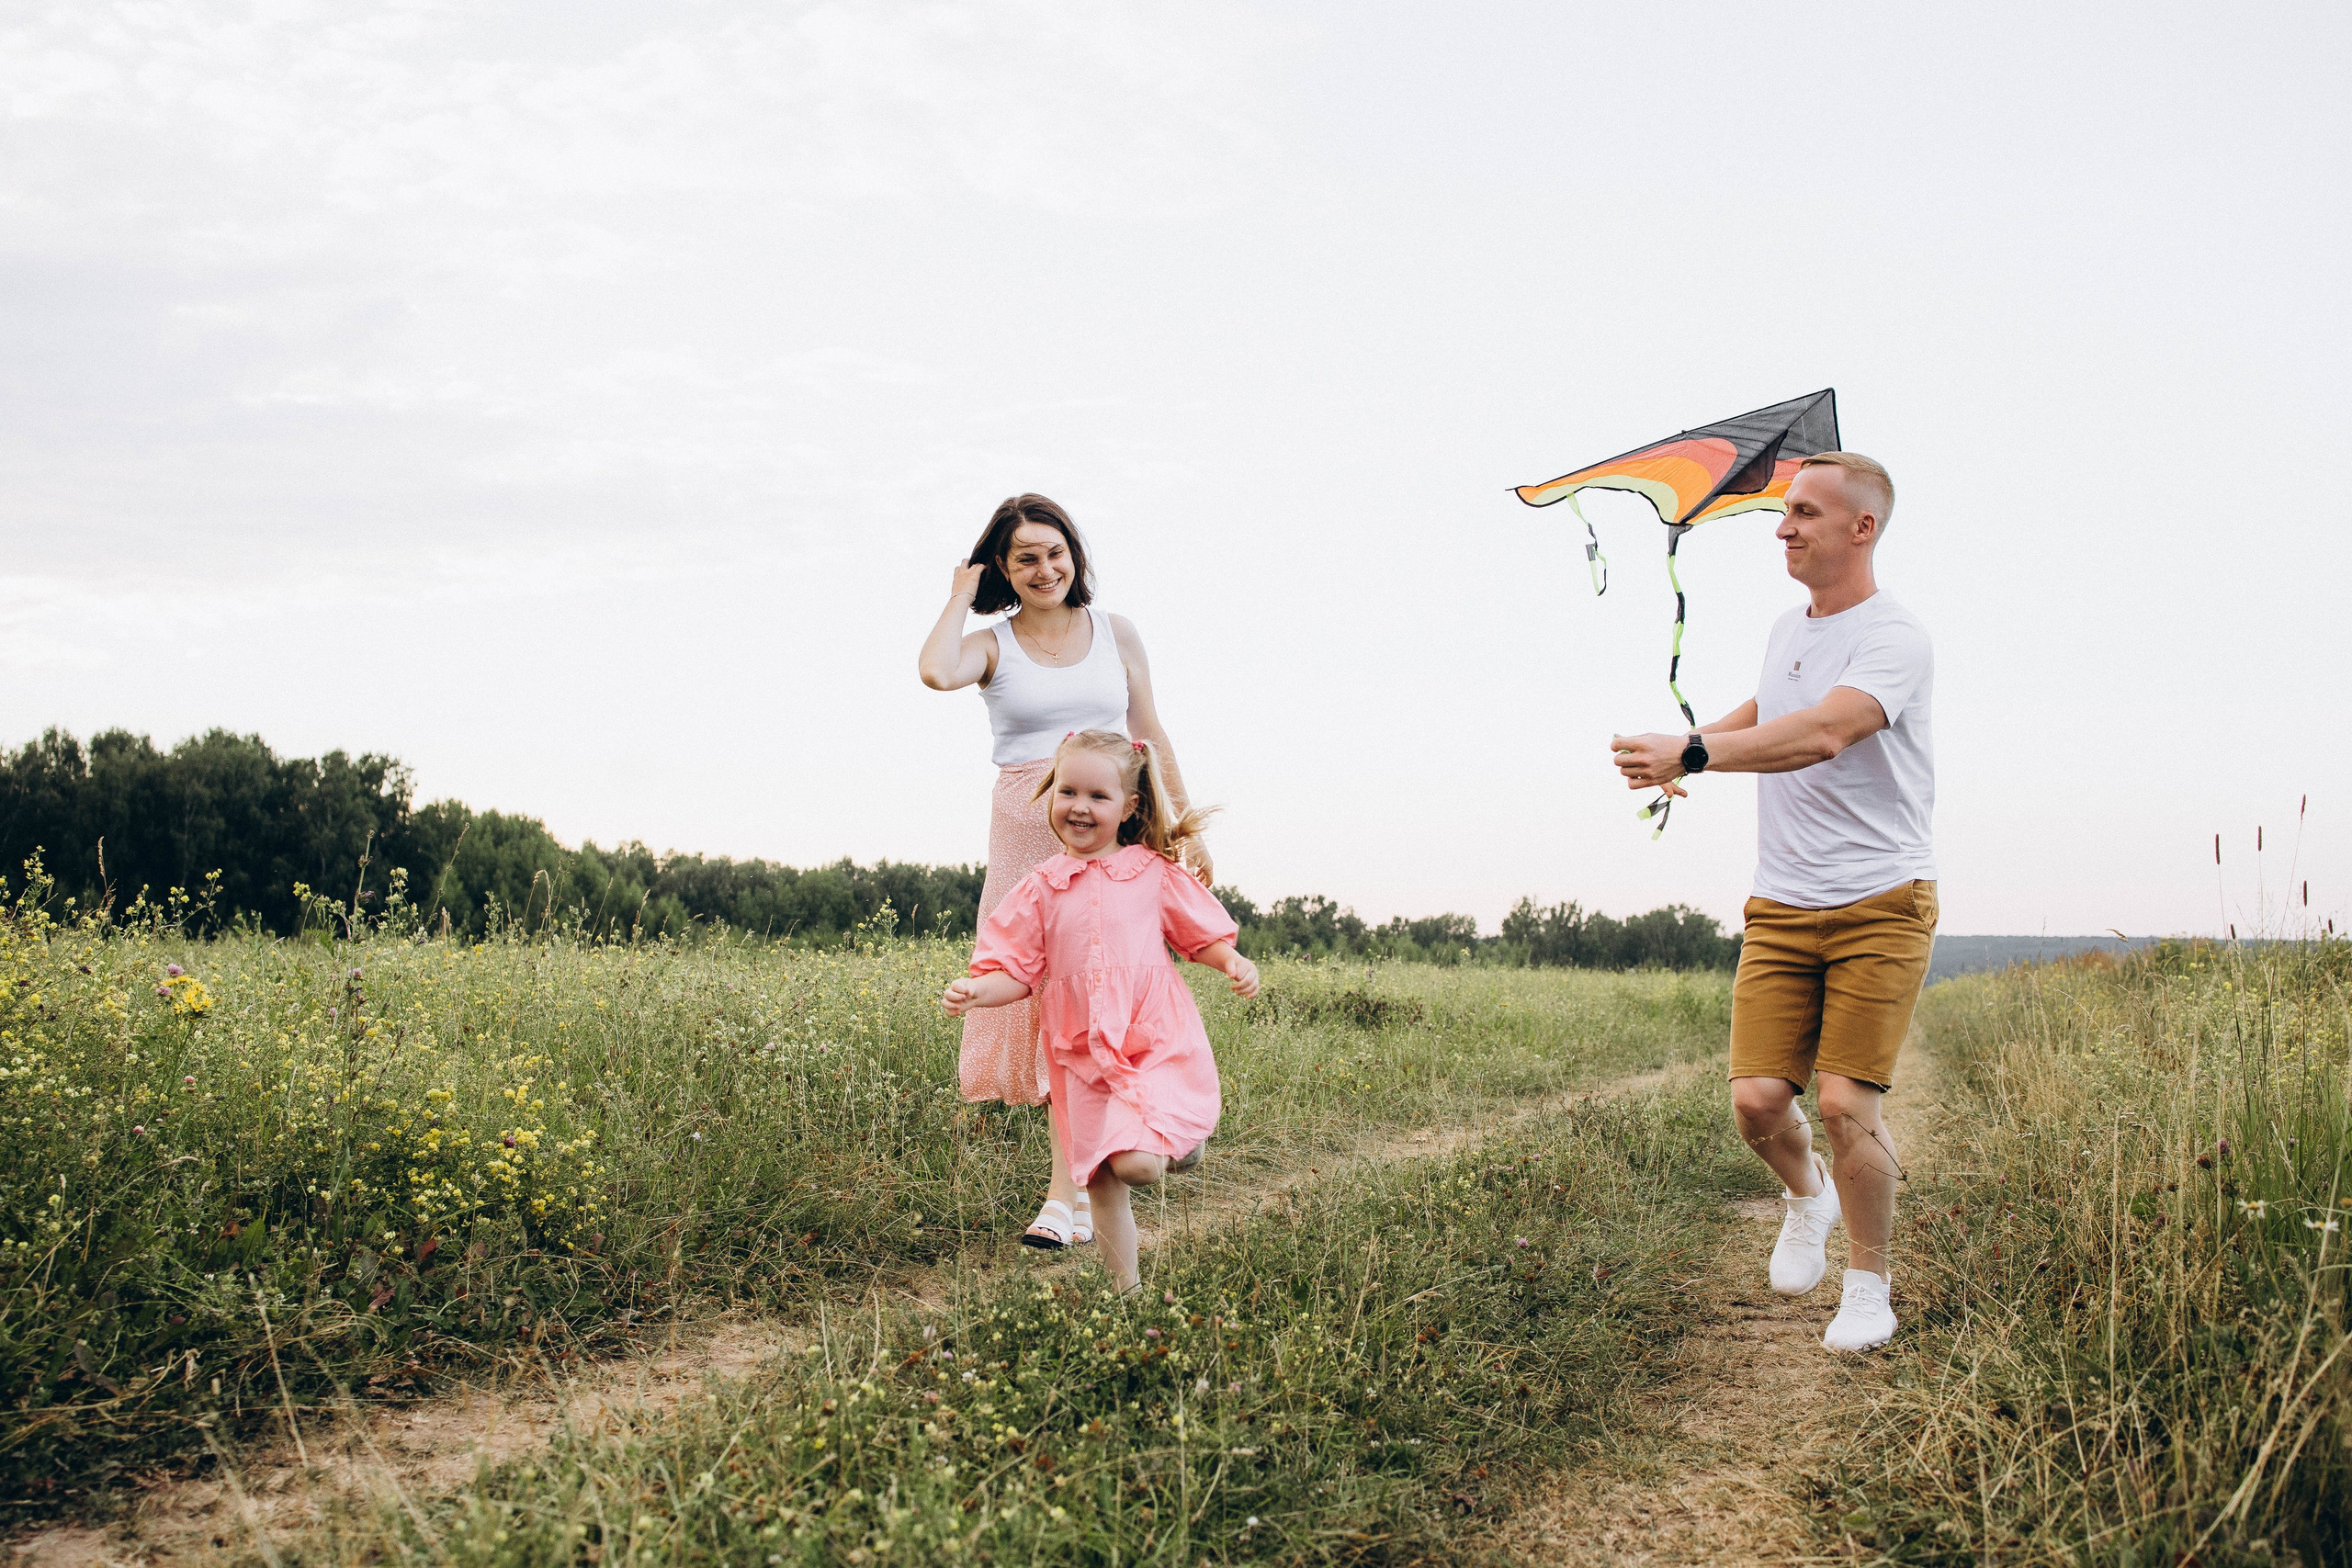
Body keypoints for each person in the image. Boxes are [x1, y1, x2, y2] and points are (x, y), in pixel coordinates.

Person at [1609, 451, 1934, 1354]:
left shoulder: (1895, 637)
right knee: (1757, 1103)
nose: (1783, 528)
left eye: (1804, 513)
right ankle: (1807, 1197)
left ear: (1861, 528)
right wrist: (1684, 744)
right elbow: (1771, 707)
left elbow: (1826, 730)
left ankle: (1869, 1286)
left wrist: (1694, 756)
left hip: (1879, 899)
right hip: (1783, 904)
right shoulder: (1788, 627)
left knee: (1841, 1102)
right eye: (1782, 513)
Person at [917, 494, 1211, 1250]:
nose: (1044, 568)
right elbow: (934, 669)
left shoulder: (1117, 633)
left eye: (1054, 552)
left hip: (1112, 824)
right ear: (1003, 570)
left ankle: (1086, 1183)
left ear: (1074, 553)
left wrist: (1178, 822)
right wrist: (958, 593)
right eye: (1024, 559)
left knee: (1102, 997)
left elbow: (1147, 732)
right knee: (1051, 998)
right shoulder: (991, 643)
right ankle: (1071, 1192)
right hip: (1030, 830)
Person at [941, 729, 1258, 1293]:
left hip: (1150, 1037)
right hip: (1080, 1050)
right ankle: (1125, 1293)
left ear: (1129, 806)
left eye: (1097, 797)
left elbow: (1195, 936)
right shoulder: (1040, 886)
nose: (1079, 808)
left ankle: (1180, 1142)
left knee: (1134, 1165)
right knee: (1104, 1176)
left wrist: (1230, 961)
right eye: (1068, 792)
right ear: (1052, 796)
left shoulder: (1151, 872)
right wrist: (976, 991)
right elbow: (1015, 972)